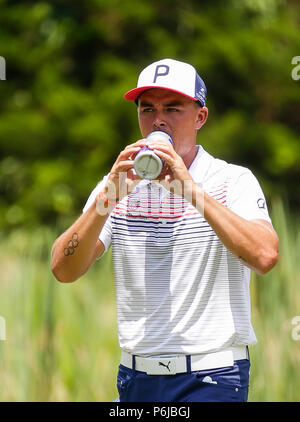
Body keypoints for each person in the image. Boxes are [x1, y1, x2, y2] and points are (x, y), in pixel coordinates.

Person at [51, 58, 279, 402]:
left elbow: (264, 256)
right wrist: (107, 198)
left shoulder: (232, 180)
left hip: (211, 377)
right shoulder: (117, 186)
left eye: (173, 109)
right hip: (135, 377)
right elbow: (63, 269)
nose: (158, 119)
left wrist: (192, 193)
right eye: (147, 109)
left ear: (200, 116)